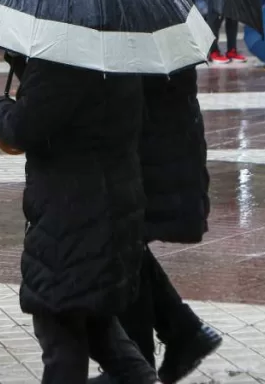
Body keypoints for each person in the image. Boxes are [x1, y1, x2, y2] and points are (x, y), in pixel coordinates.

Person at [0, 56, 158, 384]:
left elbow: (24, 127)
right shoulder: (117, 52)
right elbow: (77, 109)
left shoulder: (61, 57)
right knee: (99, 326)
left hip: (71, 221)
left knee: (60, 330)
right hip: (112, 211)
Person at [89, 65, 222, 384]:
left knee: (125, 243)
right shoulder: (144, 26)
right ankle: (180, 332)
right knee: (127, 245)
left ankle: (141, 361)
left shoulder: (129, 30)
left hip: (148, 147)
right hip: (158, 141)